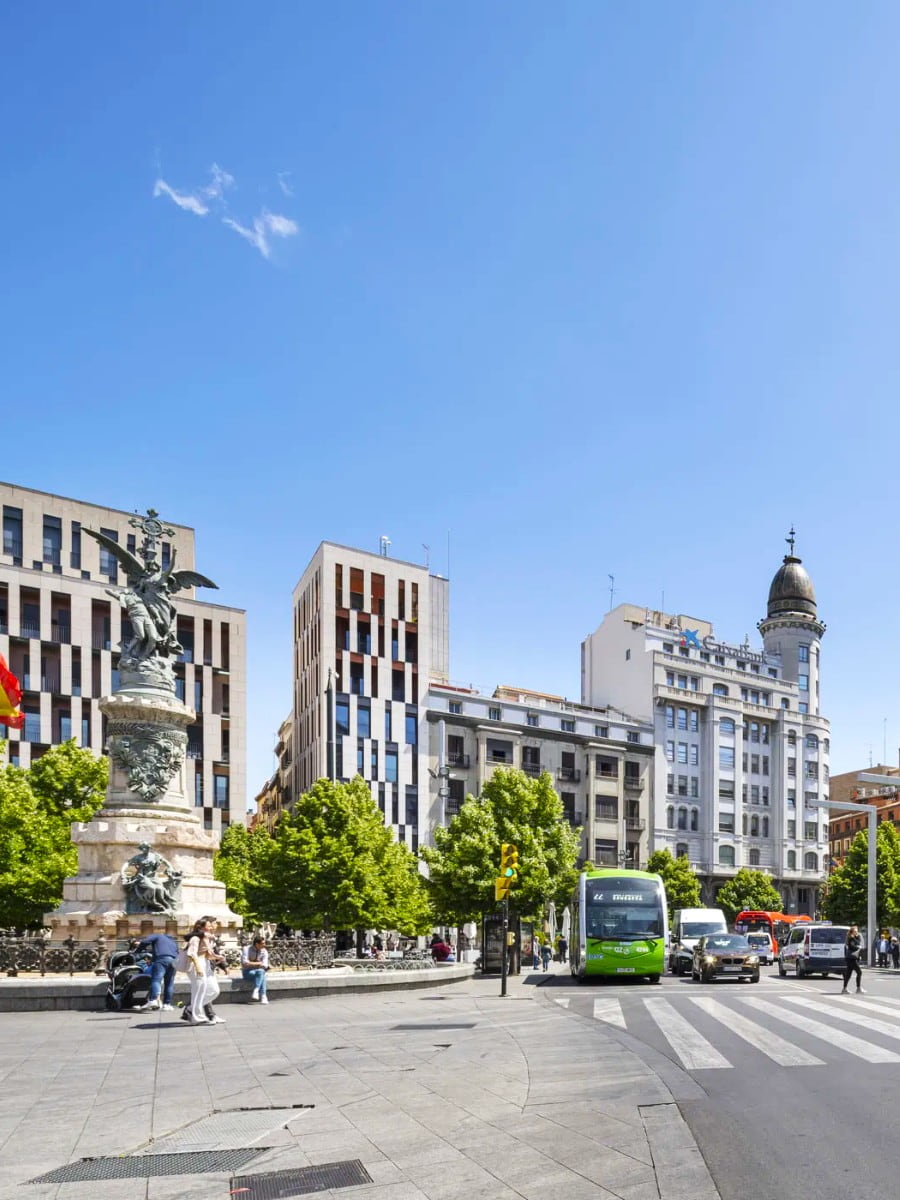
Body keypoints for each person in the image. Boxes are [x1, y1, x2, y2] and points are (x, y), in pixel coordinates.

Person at [182, 916, 228, 1025]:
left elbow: (207, 955)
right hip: (196, 964)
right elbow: (192, 954)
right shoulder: (195, 938)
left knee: (212, 990)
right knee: (198, 991)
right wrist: (198, 967)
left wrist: (218, 958)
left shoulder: (207, 938)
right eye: (208, 925)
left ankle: (190, 1009)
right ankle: (197, 1017)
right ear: (202, 927)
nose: (211, 926)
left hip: (204, 963)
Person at [134, 931, 179, 1012]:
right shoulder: (172, 942)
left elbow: (145, 941)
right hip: (174, 960)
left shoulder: (157, 936)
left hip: (162, 959)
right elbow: (176, 952)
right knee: (169, 982)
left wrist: (137, 951)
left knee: (156, 979)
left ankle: (153, 1000)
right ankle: (167, 1004)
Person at [241, 935, 270, 1003]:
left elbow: (265, 965)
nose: (264, 945)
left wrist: (251, 963)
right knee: (262, 974)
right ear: (257, 944)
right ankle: (263, 996)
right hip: (247, 972)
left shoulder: (264, 951)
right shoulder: (246, 949)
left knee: (261, 972)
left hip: (259, 971)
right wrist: (259, 963)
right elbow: (245, 963)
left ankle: (256, 990)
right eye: (262, 943)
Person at [842, 924, 864, 994]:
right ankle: (858, 988)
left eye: (857, 931)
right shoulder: (850, 938)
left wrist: (857, 938)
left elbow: (858, 943)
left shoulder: (855, 938)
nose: (856, 933)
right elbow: (852, 947)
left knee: (848, 974)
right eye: (855, 931)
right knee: (859, 972)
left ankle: (844, 989)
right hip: (851, 958)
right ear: (852, 932)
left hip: (852, 958)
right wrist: (858, 947)